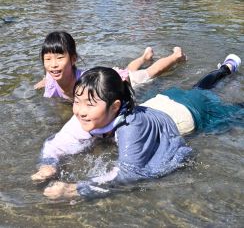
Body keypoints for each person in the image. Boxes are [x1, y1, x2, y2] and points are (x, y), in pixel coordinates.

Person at [31, 55, 242, 199]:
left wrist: (76, 189)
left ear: (115, 107)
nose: (80, 110)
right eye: (77, 101)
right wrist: (48, 165)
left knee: (231, 111)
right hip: (162, 101)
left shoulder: (131, 126)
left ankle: (226, 69)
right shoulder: (88, 113)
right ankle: (226, 69)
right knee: (199, 87)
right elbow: (58, 143)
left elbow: (130, 173)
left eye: (89, 104)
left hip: (187, 112)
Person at [34, 31, 186, 101]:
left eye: (60, 58)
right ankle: (145, 56)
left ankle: (175, 56)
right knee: (128, 69)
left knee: (151, 72)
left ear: (73, 59)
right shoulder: (51, 77)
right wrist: (39, 85)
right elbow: (47, 79)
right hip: (111, 75)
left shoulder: (85, 81)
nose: (53, 65)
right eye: (47, 59)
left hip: (117, 81)